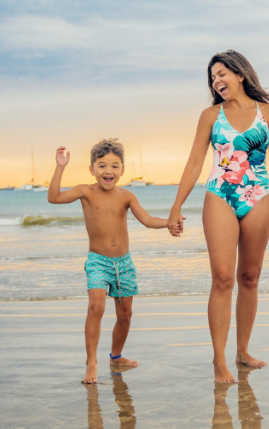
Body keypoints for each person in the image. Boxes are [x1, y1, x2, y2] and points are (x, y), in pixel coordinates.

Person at [167, 50, 269, 384]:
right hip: (220, 193)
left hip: (258, 196)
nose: (216, 81)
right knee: (222, 278)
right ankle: (219, 361)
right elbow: (194, 162)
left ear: (240, 73)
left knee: (249, 277)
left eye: (222, 73)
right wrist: (176, 206)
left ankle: (243, 351)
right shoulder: (210, 115)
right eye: (212, 77)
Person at [48, 139, 168, 384]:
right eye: (102, 166)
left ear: (122, 170)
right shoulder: (85, 191)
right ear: (92, 169)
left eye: (114, 166)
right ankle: (91, 362)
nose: (108, 171)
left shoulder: (127, 196)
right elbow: (54, 198)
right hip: (98, 261)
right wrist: (60, 167)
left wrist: (169, 222)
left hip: (123, 263)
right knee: (97, 307)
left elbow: (146, 220)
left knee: (125, 314)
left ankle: (116, 357)